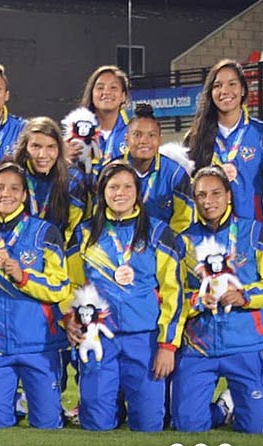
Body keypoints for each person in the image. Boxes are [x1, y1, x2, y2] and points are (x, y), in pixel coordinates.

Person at [64, 161, 184, 432]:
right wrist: (68, 318)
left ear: (138, 192)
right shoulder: (84, 232)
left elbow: (173, 292)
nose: (120, 193)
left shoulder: (157, 231)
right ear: (102, 191)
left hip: (145, 339)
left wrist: (167, 345)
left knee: (149, 424)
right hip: (97, 338)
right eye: (113, 186)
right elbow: (70, 285)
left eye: (128, 186)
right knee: (96, 424)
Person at [172, 166, 263, 434]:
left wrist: (245, 296)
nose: (208, 202)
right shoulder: (183, 241)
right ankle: (223, 408)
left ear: (229, 196)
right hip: (199, 346)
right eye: (200, 195)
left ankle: (237, 404)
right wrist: (198, 301)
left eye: (215, 194)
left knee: (255, 429)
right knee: (187, 426)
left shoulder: (254, 232)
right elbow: (171, 294)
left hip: (244, 342)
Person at [0, 163, 71, 430]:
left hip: (39, 345)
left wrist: (24, 277)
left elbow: (60, 287)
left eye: (13, 188)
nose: (5, 194)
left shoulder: (45, 232)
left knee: (46, 425)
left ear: (24, 195)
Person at [187, 59, 263, 227]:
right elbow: (188, 191)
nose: (225, 91)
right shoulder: (195, 137)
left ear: (243, 89)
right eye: (217, 86)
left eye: (232, 84)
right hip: (209, 236)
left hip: (250, 232)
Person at [12, 116, 86, 246]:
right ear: (25, 148)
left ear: (59, 149)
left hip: (57, 252)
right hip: (17, 250)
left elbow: (73, 230)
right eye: (36, 146)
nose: (43, 155)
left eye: (51, 147)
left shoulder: (72, 179)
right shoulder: (13, 177)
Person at [125, 103, 193, 234]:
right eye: (137, 135)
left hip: (163, 248)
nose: (144, 141)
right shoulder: (111, 171)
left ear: (160, 140)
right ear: (127, 139)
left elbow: (184, 222)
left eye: (151, 135)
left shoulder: (176, 175)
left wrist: (165, 246)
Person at [70, 65, 131, 192]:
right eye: (100, 87)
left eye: (113, 87)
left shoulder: (134, 134)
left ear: (123, 96)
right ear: (92, 94)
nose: (106, 92)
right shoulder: (76, 135)